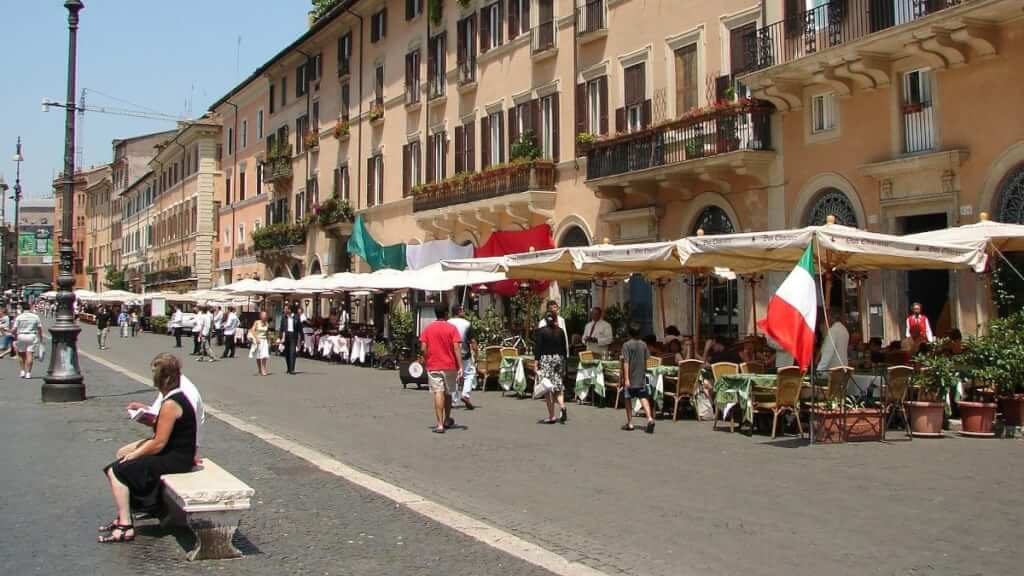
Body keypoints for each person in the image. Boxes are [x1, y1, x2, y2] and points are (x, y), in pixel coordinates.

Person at [98, 355, 197, 544]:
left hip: (175, 458)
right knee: (122, 460)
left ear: (162, 377)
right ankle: (125, 515)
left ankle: (125, 524)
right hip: (175, 453)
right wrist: (145, 411)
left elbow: (159, 442)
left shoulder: (171, 403)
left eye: (154, 373)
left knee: (116, 470)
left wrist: (135, 455)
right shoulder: (174, 398)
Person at [118, 353, 205, 463]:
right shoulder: (171, 385)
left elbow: (188, 422)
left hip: (177, 446)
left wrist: (194, 451)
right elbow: (165, 413)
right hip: (168, 440)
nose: (153, 377)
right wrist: (144, 410)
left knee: (123, 460)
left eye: (155, 373)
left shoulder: (185, 391)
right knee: (123, 454)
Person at [419, 305, 463, 434]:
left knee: (438, 391)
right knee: (448, 392)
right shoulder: (452, 328)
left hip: (434, 365)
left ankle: (439, 424)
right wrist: (460, 366)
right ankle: (447, 418)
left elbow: (423, 348)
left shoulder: (428, 328)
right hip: (450, 365)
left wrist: (426, 358)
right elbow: (456, 348)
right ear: (445, 314)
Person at [620, 322, 655, 434]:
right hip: (641, 377)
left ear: (629, 333)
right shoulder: (644, 345)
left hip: (630, 376)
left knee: (628, 398)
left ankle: (630, 423)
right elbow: (647, 359)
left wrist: (626, 379)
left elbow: (626, 362)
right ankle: (650, 418)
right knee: (643, 397)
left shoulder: (626, 345)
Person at [534, 312, 569, 424]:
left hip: (546, 360)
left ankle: (551, 416)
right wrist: (564, 364)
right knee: (558, 386)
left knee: (547, 388)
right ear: (555, 320)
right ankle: (562, 406)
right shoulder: (560, 331)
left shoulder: (541, 331)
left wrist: (536, 363)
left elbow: (538, 348)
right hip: (559, 359)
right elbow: (564, 349)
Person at [447, 305, 477, 410]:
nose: (464, 312)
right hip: (464, 353)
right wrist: (476, 351)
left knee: (454, 376)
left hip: (451, 354)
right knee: (469, 374)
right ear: (459, 311)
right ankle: (465, 395)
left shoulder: (448, 323)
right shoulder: (467, 324)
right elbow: (472, 340)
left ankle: (453, 400)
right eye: (462, 310)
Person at [13, 306, 43, 379]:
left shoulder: (19, 317)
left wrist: (13, 335)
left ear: (22, 309)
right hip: (32, 335)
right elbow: (39, 328)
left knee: (21, 354)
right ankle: (28, 373)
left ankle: (22, 371)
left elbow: (14, 328)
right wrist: (41, 337)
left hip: (21, 335)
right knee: (30, 354)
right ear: (30, 309)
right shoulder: (35, 317)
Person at [279, 304, 300, 374]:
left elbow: (300, 328)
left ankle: (292, 369)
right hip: (286, 336)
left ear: (290, 310)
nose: (285, 310)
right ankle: (289, 368)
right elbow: (281, 329)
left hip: (293, 336)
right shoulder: (283, 317)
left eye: (286, 309)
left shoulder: (296, 317)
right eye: (284, 309)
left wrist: (302, 338)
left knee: (293, 352)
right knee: (287, 353)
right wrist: (280, 338)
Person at [249, 310, 271, 376]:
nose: (265, 317)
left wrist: (269, 341)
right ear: (261, 316)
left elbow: (267, 333)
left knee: (265, 355)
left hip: (264, 341)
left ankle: (263, 368)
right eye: (263, 315)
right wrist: (256, 338)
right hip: (258, 341)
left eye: (265, 316)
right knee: (258, 356)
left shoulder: (267, 323)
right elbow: (252, 330)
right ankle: (259, 369)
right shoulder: (257, 322)